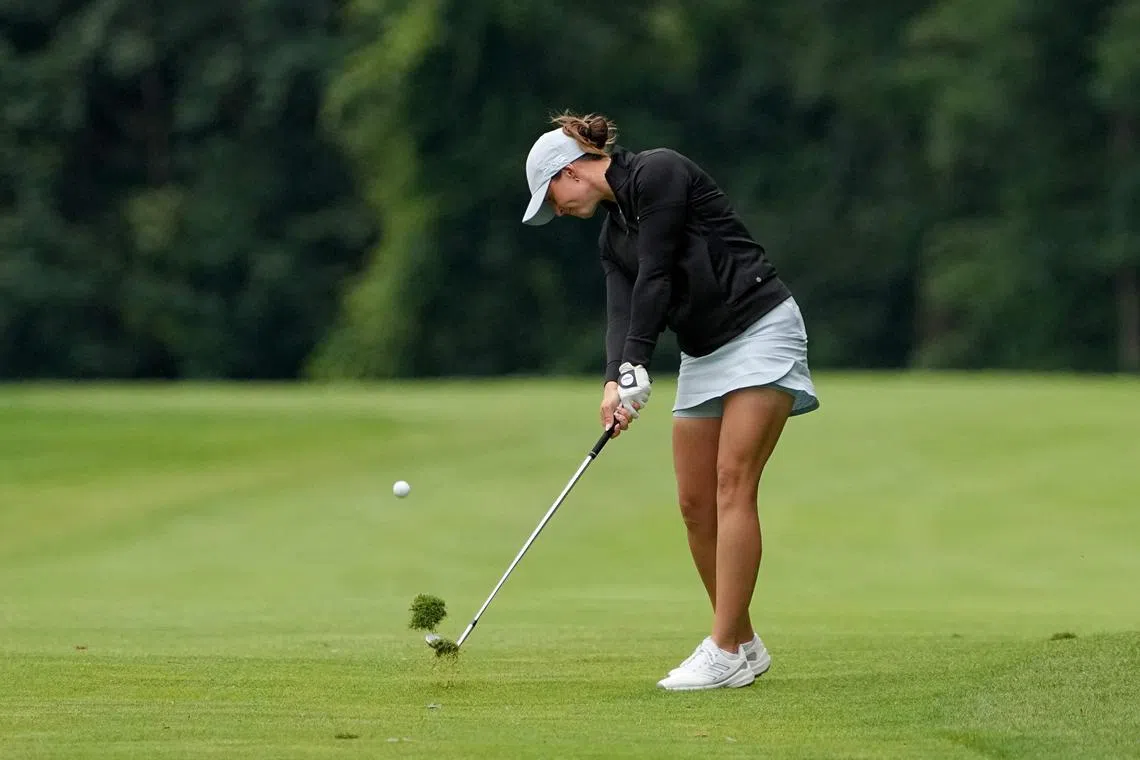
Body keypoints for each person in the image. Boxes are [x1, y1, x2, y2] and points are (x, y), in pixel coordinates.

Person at [520, 111, 820, 691]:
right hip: (704, 352)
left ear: (571, 172)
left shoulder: (659, 173)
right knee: (694, 503)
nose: (556, 209)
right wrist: (614, 380)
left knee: (732, 481)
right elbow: (622, 309)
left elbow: (656, 274)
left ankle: (722, 648)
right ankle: (745, 643)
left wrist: (638, 361)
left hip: (760, 328)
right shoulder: (612, 237)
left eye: (551, 196)